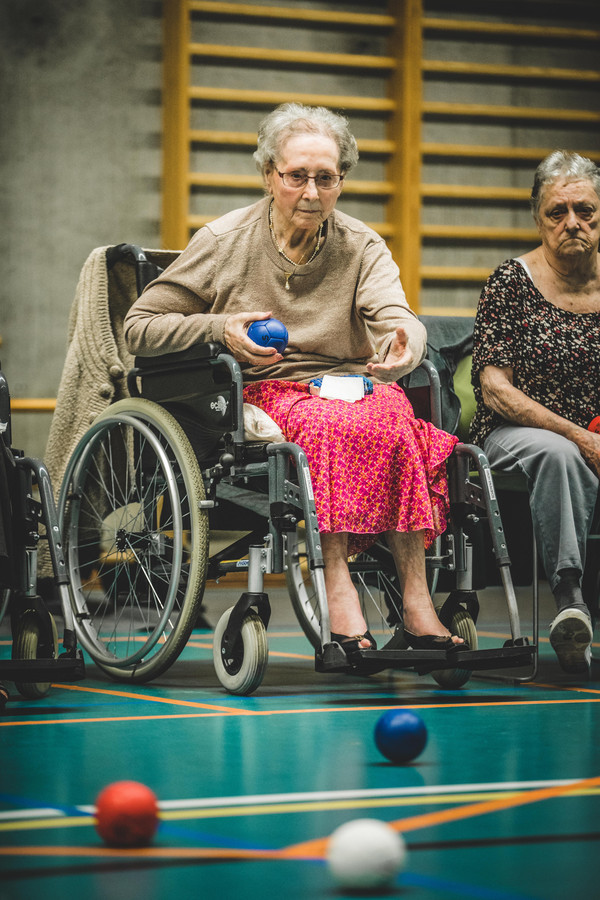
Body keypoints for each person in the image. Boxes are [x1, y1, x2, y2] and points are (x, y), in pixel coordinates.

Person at [124, 102, 463, 659]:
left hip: (353, 387)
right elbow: (140, 327)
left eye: (325, 178)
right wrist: (223, 328)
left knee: (400, 420)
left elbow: (395, 315)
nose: (311, 191)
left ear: (341, 180)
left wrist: (407, 340)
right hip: (265, 391)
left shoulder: (361, 245)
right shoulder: (224, 240)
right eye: (296, 176)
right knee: (326, 426)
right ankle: (336, 581)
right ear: (268, 174)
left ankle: (418, 598)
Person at [470, 150, 600, 677]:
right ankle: (571, 600)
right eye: (557, 211)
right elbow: (494, 388)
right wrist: (579, 436)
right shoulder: (510, 283)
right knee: (560, 453)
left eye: (585, 210)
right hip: (516, 434)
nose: (573, 222)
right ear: (538, 217)